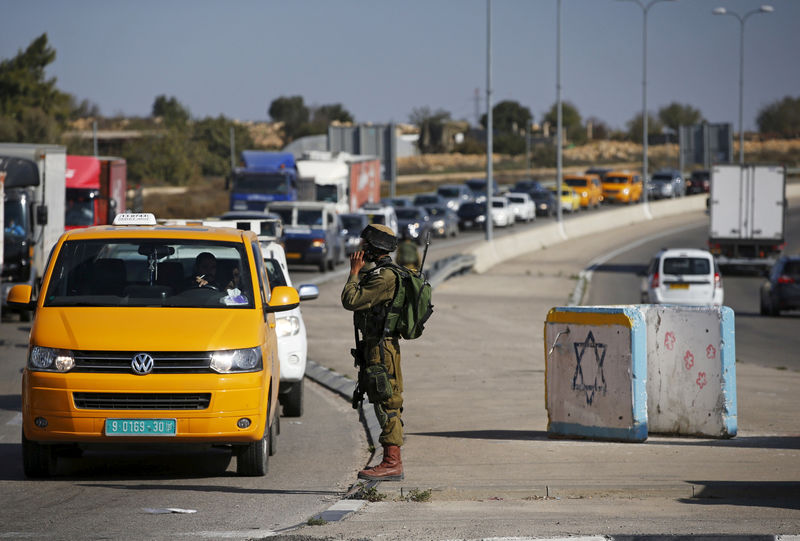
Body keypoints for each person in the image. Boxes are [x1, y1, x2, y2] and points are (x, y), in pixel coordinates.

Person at [341, 224, 405, 481]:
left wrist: (353, 273)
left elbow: (351, 300)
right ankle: (390, 459)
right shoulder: (380, 272)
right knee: (383, 399)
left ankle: (392, 462)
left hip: (382, 348)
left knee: (388, 401)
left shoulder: (386, 277)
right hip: (377, 347)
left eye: (365, 246)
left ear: (374, 248)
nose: (360, 250)